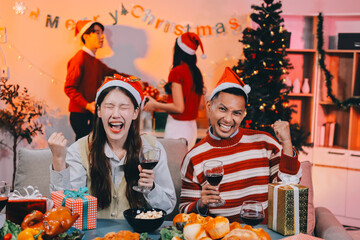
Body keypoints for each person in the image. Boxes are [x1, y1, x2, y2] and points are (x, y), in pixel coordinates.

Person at [179, 67, 301, 223]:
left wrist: (287, 143)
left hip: (261, 233)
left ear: (243, 114)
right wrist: (200, 204)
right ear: (210, 107)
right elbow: (183, 211)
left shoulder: (265, 143)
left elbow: (288, 190)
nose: (228, 119)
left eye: (236, 113)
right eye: (222, 109)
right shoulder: (193, 157)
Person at [49, 74, 176, 218]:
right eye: (109, 106)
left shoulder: (153, 149)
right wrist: (58, 161)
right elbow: (66, 209)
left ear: (135, 112)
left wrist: (151, 188)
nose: (116, 114)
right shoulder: (79, 150)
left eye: (124, 107)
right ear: (99, 111)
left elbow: (168, 207)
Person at [143, 32, 205, 150]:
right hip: (192, 128)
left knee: (172, 165)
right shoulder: (197, 73)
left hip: (177, 127)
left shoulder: (177, 72)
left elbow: (179, 108)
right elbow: (200, 105)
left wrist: (154, 104)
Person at [65, 20, 121, 140]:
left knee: (90, 147)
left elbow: (112, 74)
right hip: (80, 114)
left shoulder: (95, 62)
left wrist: (134, 80)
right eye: (97, 33)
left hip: (91, 112)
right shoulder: (79, 59)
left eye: (102, 33)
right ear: (86, 36)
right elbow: (69, 88)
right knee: (83, 149)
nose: (101, 37)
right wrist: (87, 105)